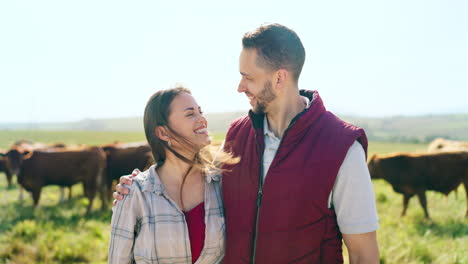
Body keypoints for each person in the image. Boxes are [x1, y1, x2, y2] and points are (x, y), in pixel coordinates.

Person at [115, 23, 379, 264]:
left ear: (279, 78)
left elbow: (363, 253)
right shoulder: (237, 135)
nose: (240, 87)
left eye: (248, 77)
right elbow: (190, 175)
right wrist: (138, 185)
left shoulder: (342, 148)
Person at [108, 87, 225, 264]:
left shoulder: (221, 184)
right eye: (190, 114)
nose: (203, 119)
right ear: (163, 132)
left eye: (200, 111)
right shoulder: (135, 193)